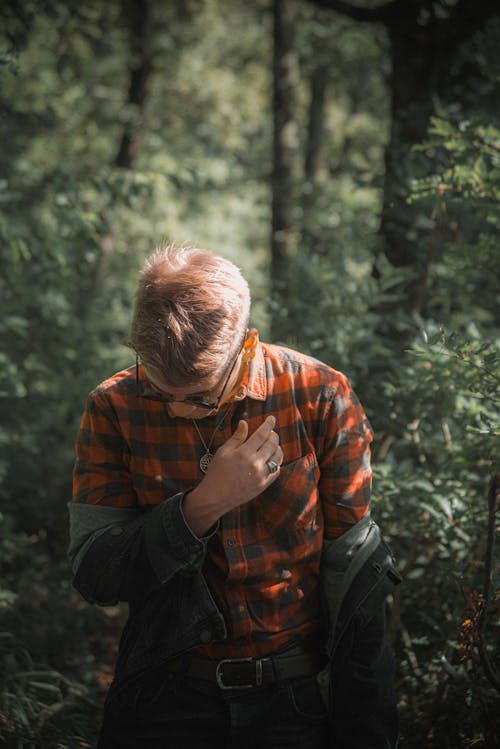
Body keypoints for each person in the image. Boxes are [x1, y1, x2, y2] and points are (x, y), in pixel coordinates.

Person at [69, 244, 401, 749]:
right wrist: (204, 504)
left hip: (293, 701)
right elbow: (96, 575)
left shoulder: (320, 395)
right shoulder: (112, 406)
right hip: (164, 691)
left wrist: (366, 728)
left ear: (244, 346)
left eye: (199, 396)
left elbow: (355, 578)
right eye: (161, 392)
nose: (179, 409)